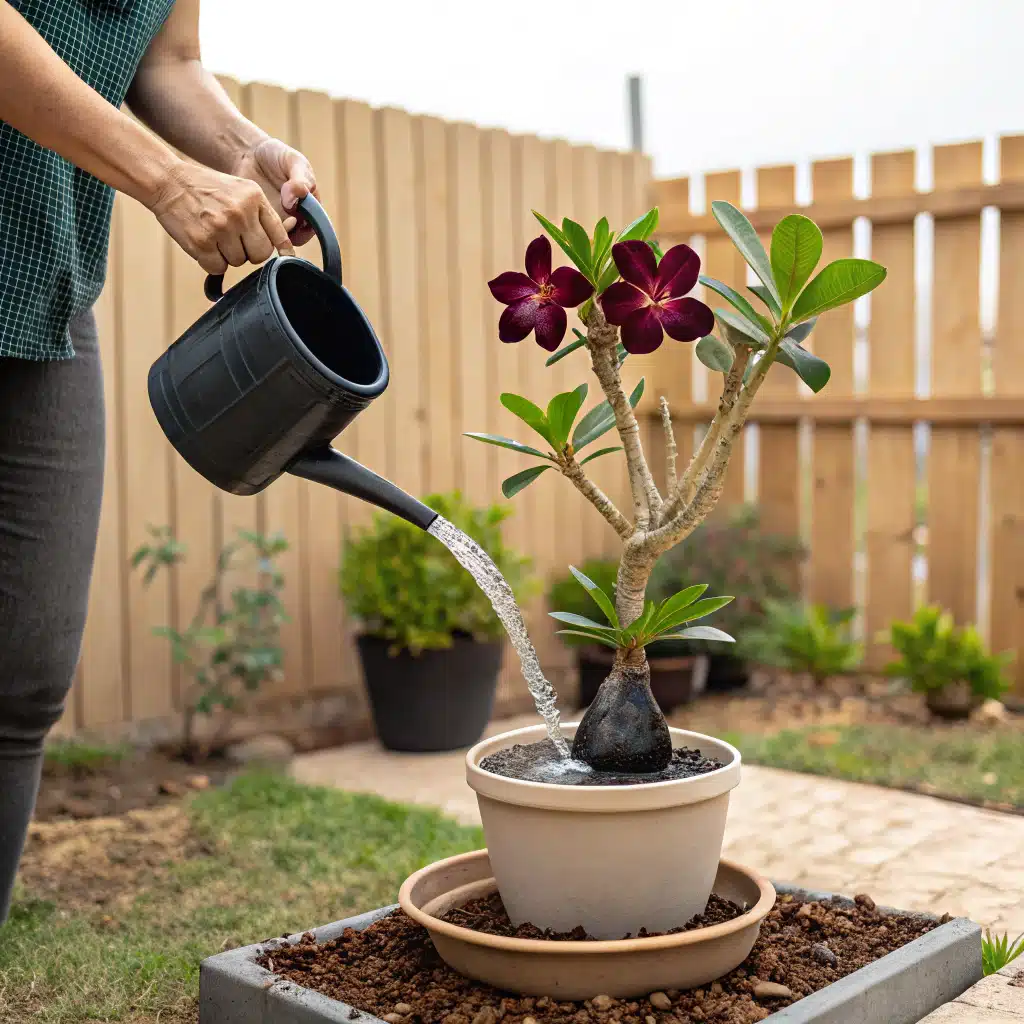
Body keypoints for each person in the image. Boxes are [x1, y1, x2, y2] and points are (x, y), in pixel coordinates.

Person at [0, 0, 321, 924]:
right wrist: (165, 179)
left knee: (22, 674)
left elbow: (168, 60)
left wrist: (238, 151)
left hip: (38, 285)